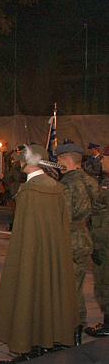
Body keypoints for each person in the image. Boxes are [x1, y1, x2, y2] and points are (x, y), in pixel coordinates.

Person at [0, 145, 79, 364]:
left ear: (27, 162)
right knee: (49, 289)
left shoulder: (30, 192)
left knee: (28, 289)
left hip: (31, 253)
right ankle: (50, 337)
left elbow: (25, 234)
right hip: (52, 253)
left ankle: (27, 342)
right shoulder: (56, 187)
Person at [56, 143, 99, 344]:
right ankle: (77, 326)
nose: (57, 162)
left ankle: (73, 328)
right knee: (78, 285)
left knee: (69, 288)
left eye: (59, 159)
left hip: (70, 239)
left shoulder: (66, 184)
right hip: (85, 236)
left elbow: (64, 216)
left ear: (66, 159)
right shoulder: (91, 181)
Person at [87, 156, 109, 338]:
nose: (102, 160)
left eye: (105, 157)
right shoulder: (103, 181)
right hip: (102, 239)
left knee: (105, 281)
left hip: (105, 242)